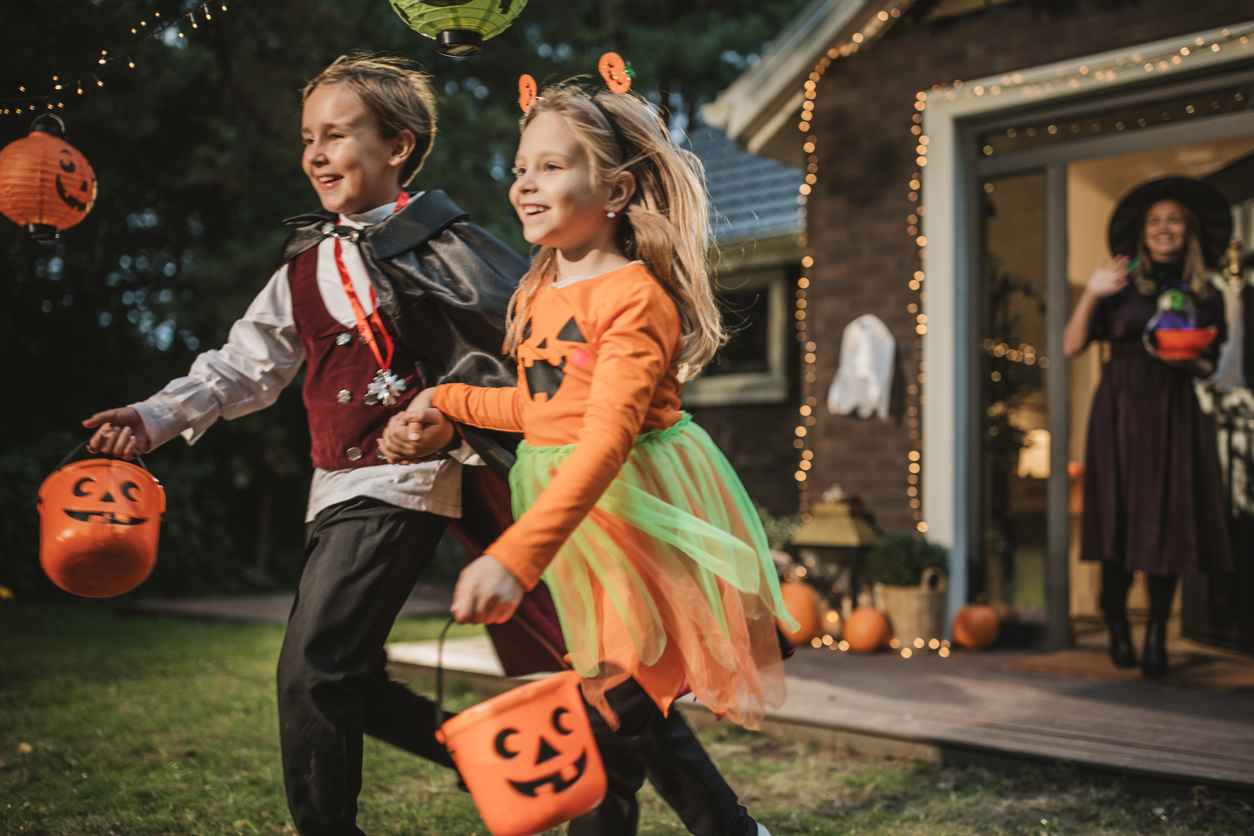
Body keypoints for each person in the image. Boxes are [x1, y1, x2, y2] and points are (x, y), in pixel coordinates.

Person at [80, 54, 560, 836]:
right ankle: (505, 758)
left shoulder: (447, 241)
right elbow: (244, 366)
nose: (315, 154)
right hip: (335, 486)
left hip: (407, 479)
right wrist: (154, 416)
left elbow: (512, 342)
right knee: (347, 677)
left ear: (397, 145)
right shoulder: (303, 266)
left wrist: (470, 425)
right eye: (309, 137)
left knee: (310, 673)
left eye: (337, 135)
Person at [383, 80, 792, 835]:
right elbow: (545, 412)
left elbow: (603, 440)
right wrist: (448, 404)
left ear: (615, 188)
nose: (525, 185)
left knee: (616, 704)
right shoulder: (541, 289)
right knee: (622, 706)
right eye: (520, 169)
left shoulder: (634, 300)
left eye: (550, 167)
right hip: (578, 524)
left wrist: (514, 557)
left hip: (631, 516)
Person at [1063, 176, 1234, 677]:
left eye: (1174, 220)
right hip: (1119, 414)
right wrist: (1091, 295)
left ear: (1189, 231)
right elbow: (1072, 345)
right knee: (1117, 523)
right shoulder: (1119, 286)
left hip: (1174, 414)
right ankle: (1116, 624)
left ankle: (1158, 632)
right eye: (1156, 221)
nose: (1164, 229)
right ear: (1143, 232)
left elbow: (1211, 365)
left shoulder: (1206, 293)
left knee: (1168, 528)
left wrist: (1189, 357)